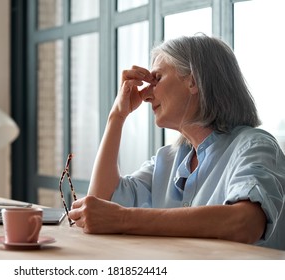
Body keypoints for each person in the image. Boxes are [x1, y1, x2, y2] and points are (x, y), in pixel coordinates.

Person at [68, 34, 285, 250]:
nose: (146, 96)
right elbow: (101, 206)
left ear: (193, 81)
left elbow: (245, 223)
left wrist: (124, 219)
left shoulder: (254, 146)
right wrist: (117, 116)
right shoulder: (168, 159)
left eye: (157, 78)